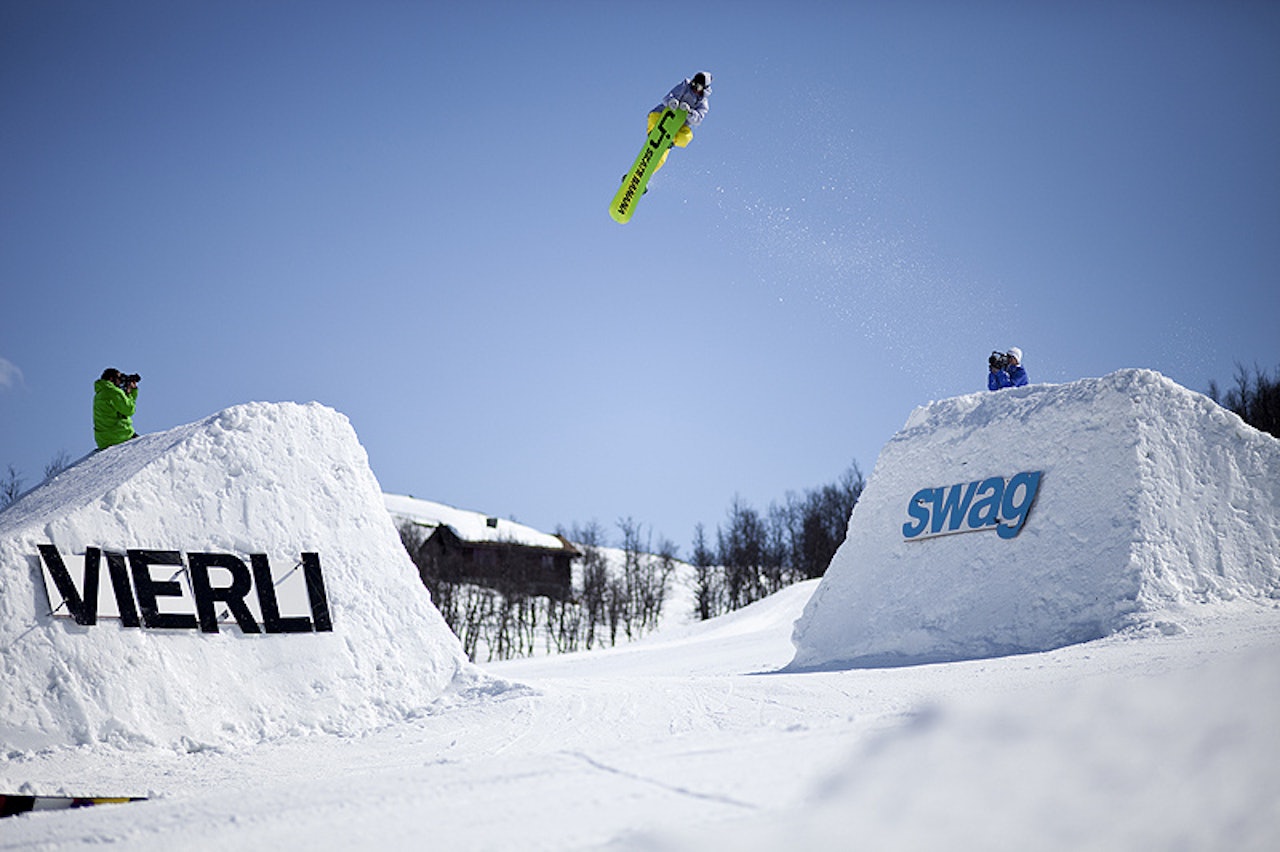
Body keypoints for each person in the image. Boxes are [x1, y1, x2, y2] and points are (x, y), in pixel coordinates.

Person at [648, 71, 712, 173]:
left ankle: (670, 141)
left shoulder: (703, 103)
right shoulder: (685, 85)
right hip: (662, 115)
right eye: (694, 85)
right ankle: (654, 132)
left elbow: (698, 119)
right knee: (654, 117)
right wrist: (672, 101)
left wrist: (690, 113)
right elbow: (668, 96)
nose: (695, 89)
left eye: (698, 87)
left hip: (676, 127)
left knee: (687, 136)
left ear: (704, 89)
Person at [94, 368, 140, 449]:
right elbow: (129, 410)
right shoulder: (114, 392)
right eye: (119, 378)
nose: (120, 381)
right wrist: (131, 393)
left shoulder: (99, 394)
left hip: (102, 440)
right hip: (119, 435)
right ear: (112, 378)